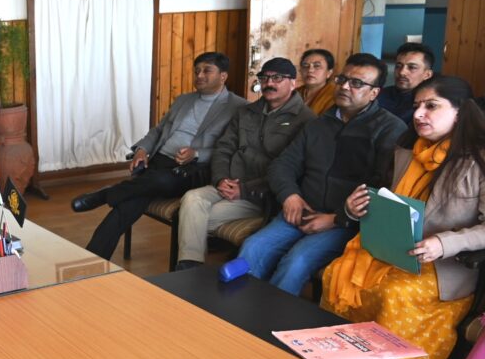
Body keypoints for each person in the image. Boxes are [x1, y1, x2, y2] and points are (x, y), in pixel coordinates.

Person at [322, 76, 485, 359]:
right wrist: (355, 208)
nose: (419, 114)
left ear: (460, 112)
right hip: (396, 252)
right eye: (416, 106)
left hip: (442, 267)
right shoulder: (406, 152)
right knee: (340, 272)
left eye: (431, 106)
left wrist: (444, 243)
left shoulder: (478, 160)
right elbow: (386, 202)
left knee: (396, 295)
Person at [236, 53, 406, 295]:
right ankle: (235, 316)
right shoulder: (318, 124)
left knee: (296, 261)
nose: (345, 87)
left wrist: (337, 218)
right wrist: (290, 196)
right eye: (342, 79)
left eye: (357, 83)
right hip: (300, 209)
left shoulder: (389, 129)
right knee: (253, 248)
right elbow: (282, 165)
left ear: (374, 93)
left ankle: (267, 326)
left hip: (345, 224)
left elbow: (382, 189)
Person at [71, 52, 246, 260]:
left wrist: (196, 153)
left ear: (223, 76)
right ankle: (95, 258)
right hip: (159, 161)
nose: (199, 75)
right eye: (197, 71)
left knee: (154, 182)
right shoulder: (184, 100)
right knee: (131, 201)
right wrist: (143, 150)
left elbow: (230, 149)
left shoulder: (238, 107)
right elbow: (158, 131)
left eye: (207, 71)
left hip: (192, 169)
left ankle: (105, 195)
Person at [175, 58, 315, 270]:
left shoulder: (306, 120)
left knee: (191, 218)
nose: (269, 83)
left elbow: (289, 170)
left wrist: (244, 190)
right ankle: (190, 271)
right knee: (192, 198)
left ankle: (189, 272)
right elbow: (223, 148)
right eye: (264, 78)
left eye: (277, 78)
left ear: (293, 83)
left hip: (260, 196)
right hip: (228, 183)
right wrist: (221, 179)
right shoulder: (247, 112)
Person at [377, 42, 435, 123]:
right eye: (398, 66)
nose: (402, 72)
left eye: (412, 67)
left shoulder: (429, 106)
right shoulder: (378, 94)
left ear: (427, 74)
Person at [297, 48, 337, 115]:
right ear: (300, 70)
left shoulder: (335, 96)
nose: (310, 70)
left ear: (329, 73)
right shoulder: (294, 93)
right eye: (305, 65)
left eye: (317, 66)